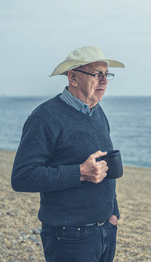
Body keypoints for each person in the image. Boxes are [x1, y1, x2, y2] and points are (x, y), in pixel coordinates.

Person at [11, 45, 125, 262]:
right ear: (73, 78)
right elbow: (22, 177)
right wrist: (80, 173)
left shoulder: (98, 113)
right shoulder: (44, 117)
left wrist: (113, 215)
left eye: (106, 74)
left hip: (105, 231)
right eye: (96, 74)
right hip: (69, 236)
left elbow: (104, 166)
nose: (104, 80)